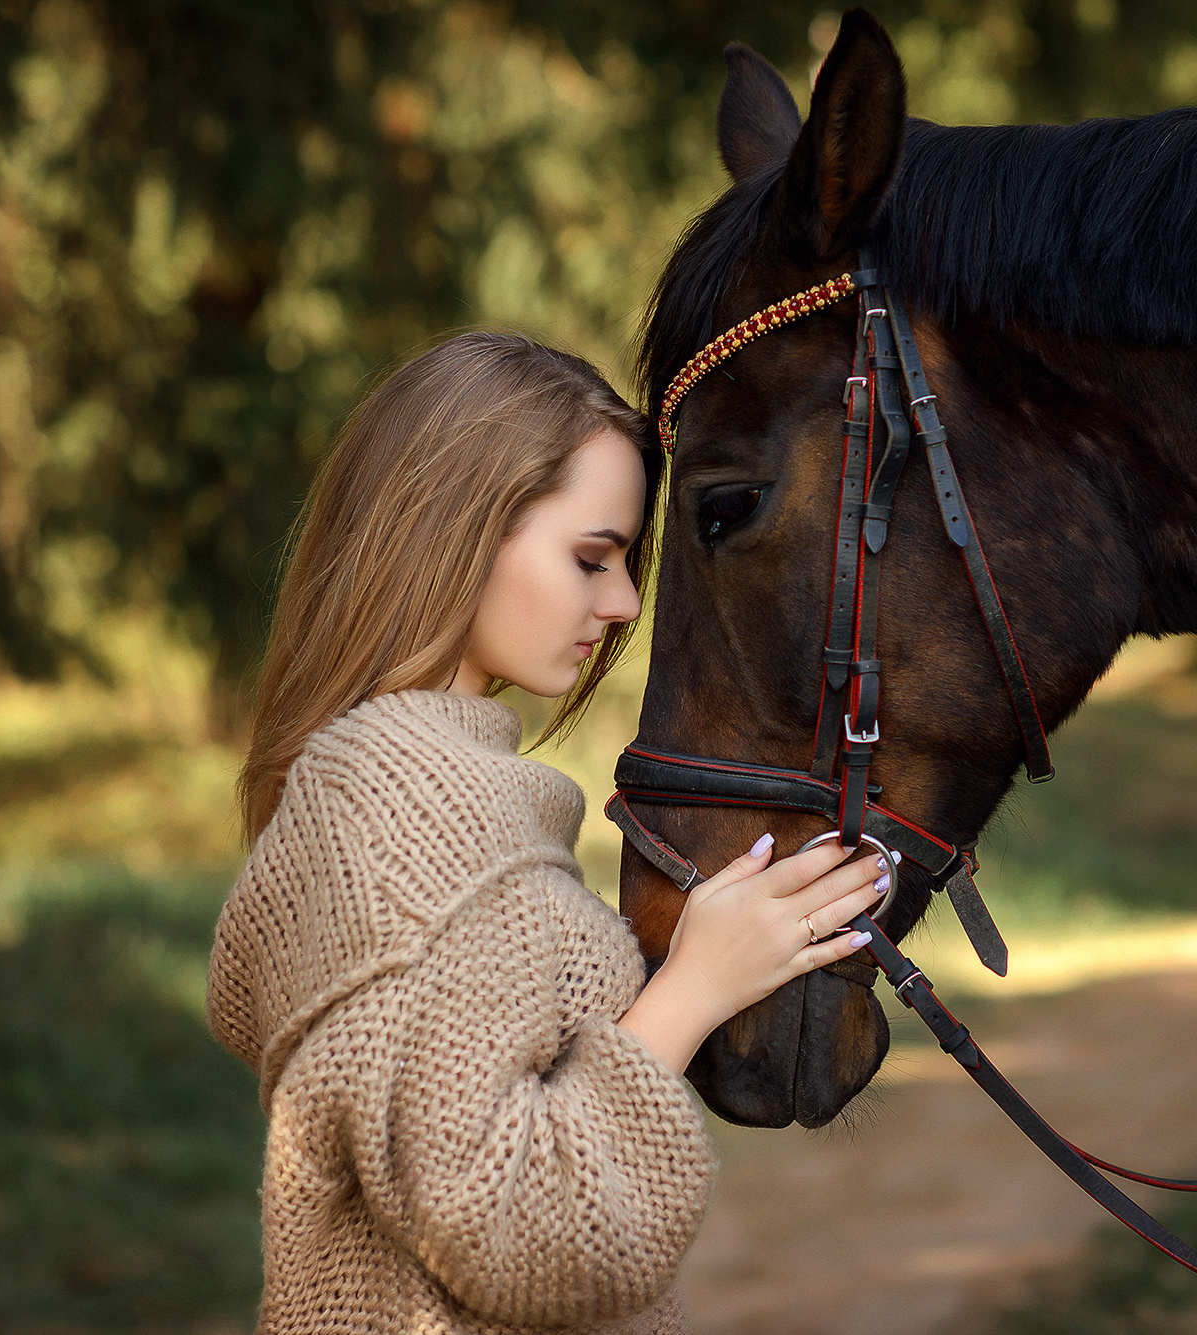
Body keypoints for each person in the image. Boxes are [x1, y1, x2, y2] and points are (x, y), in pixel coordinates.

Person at [206, 330, 889, 1334]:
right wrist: (696, 987)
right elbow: (515, 1226)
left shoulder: (396, 789)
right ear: (452, 530)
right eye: (590, 558)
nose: (619, 604)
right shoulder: (415, 808)